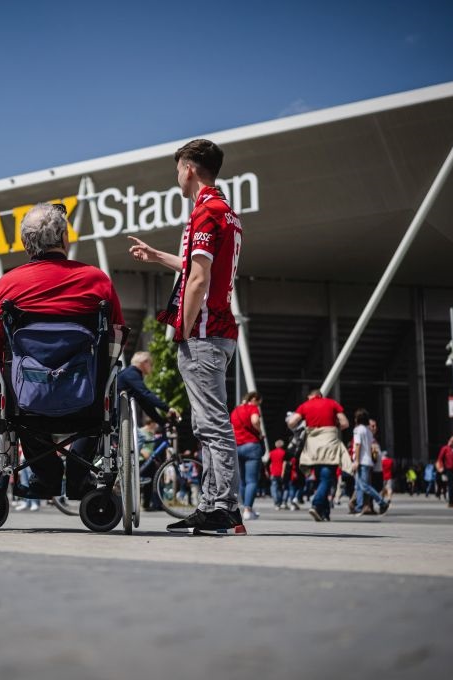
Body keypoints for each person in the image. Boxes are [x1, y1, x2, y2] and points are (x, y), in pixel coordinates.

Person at [128, 139, 245, 535]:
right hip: (218, 332)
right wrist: (157, 256)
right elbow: (194, 265)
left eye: (178, 168)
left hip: (206, 333)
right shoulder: (223, 211)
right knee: (207, 421)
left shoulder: (206, 212)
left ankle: (223, 506)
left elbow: (197, 279)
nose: (176, 175)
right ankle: (215, 504)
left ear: (190, 169)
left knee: (212, 423)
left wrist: (182, 327)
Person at [0, 202, 125, 503]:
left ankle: (46, 475)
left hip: (28, 403)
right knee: (103, 377)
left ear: (26, 244)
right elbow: (117, 332)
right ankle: (78, 474)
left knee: (11, 378)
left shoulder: (6, 286)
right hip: (85, 399)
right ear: (64, 238)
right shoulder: (95, 280)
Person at [286, 389, 350, 522]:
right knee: (327, 478)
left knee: (321, 478)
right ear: (320, 395)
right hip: (329, 442)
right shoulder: (332, 403)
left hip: (313, 445)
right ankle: (316, 504)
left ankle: (324, 512)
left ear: (312, 396)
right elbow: (345, 423)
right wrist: (334, 425)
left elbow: (292, 422)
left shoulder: (305, 405)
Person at [118, 351, 176, 426]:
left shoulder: (131, 373)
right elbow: (146, 394)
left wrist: (162, 422)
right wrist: (168, 409)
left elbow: (145, 403)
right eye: (151, 364)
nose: (152, 367)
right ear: (144, 362)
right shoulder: (131, 374)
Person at [349, 408, 389, 516]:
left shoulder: (357, 430)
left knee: (364, 486)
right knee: (358, 485)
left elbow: (357, 445)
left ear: (357, 418)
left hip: (362, 461)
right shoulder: (368, 431)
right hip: (368, 461)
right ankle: (358, 507)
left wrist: (356, 461)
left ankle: (382, 502)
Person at [231, 391, 264, 521]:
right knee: (252, 480)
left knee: (243, 480)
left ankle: (244, 508)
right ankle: (248, 509)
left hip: (237, 446)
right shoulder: (253, 408)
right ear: (255, 399)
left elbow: (232, 428)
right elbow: (255, 420)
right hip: (252, 446)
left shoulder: (236, 410)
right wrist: (260, 432)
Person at [436, 436, 453, 508]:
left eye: (452, 441)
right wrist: (441, 467)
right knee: (451, 485)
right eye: (450, 440)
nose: (450, 442)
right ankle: (451, 503)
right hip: (448, 469)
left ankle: (452, 501)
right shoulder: (445, 448)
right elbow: (440, 458)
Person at [268, 440, 287, 510]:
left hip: (273, 473)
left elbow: (269, 464)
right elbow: (284, 463)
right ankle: (280, 502)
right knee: (280, 488)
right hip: (281, 473)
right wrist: (283, 473)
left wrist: (269, 472)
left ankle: (276, 502)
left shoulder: (271, 453)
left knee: (274, 488)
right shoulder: (284, 453)